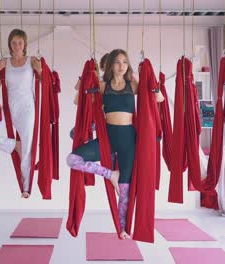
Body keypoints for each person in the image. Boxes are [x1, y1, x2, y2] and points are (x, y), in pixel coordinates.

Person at [66, 49, 165, 239]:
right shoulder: (103, 86)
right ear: (111, 65)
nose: (121, 66)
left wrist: (149, 80)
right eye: (117, 62)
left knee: (125, 192)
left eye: (125, 62)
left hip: (129, 140)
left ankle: (122, 229)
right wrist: (86, 78)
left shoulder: (133, 84)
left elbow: (158, 99)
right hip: (107, 139)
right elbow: (79, 101)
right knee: (72, 159)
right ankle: (110, 174)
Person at [0, 29, 42, 199]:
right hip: (8, 108)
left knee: (28, 148)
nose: (17, 46)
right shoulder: (5, 63)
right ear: (10, 45)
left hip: (27, 108)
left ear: (25, 44)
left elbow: (45, 80)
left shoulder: (31, 61)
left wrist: (41, 70)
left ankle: (26, 187)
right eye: (14, 42)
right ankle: (14, 146)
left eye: (20, 42)